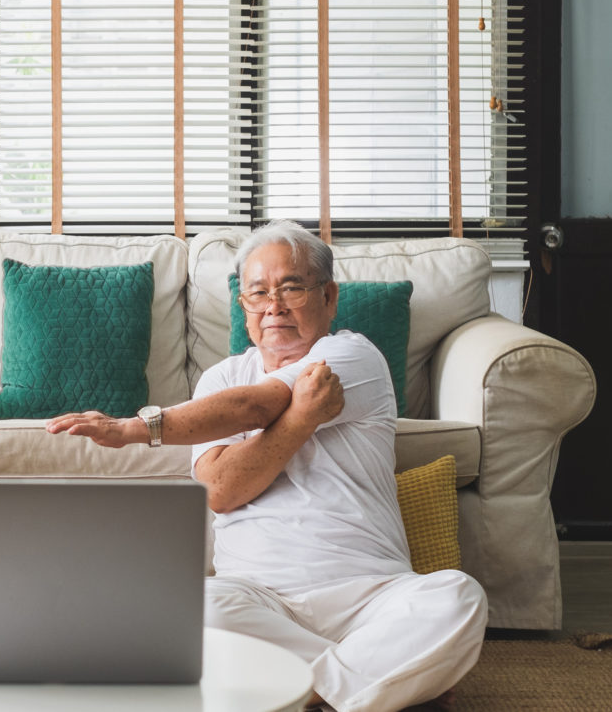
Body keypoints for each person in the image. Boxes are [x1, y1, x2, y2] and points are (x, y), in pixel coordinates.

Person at [47, 220, 487, 712]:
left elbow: (258, 406)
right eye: (257, 293)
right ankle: (378, 684)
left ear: (329, 297)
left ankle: (302, 691)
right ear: (244, 308)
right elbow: (220, 490)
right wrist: (301, 418)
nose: (273, 305)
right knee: (190, 607)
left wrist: (136, 428)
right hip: (256, 598)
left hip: (371, 595)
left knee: (457, 596)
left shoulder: (351, 355)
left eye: (292, 288)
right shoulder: (221, 380)